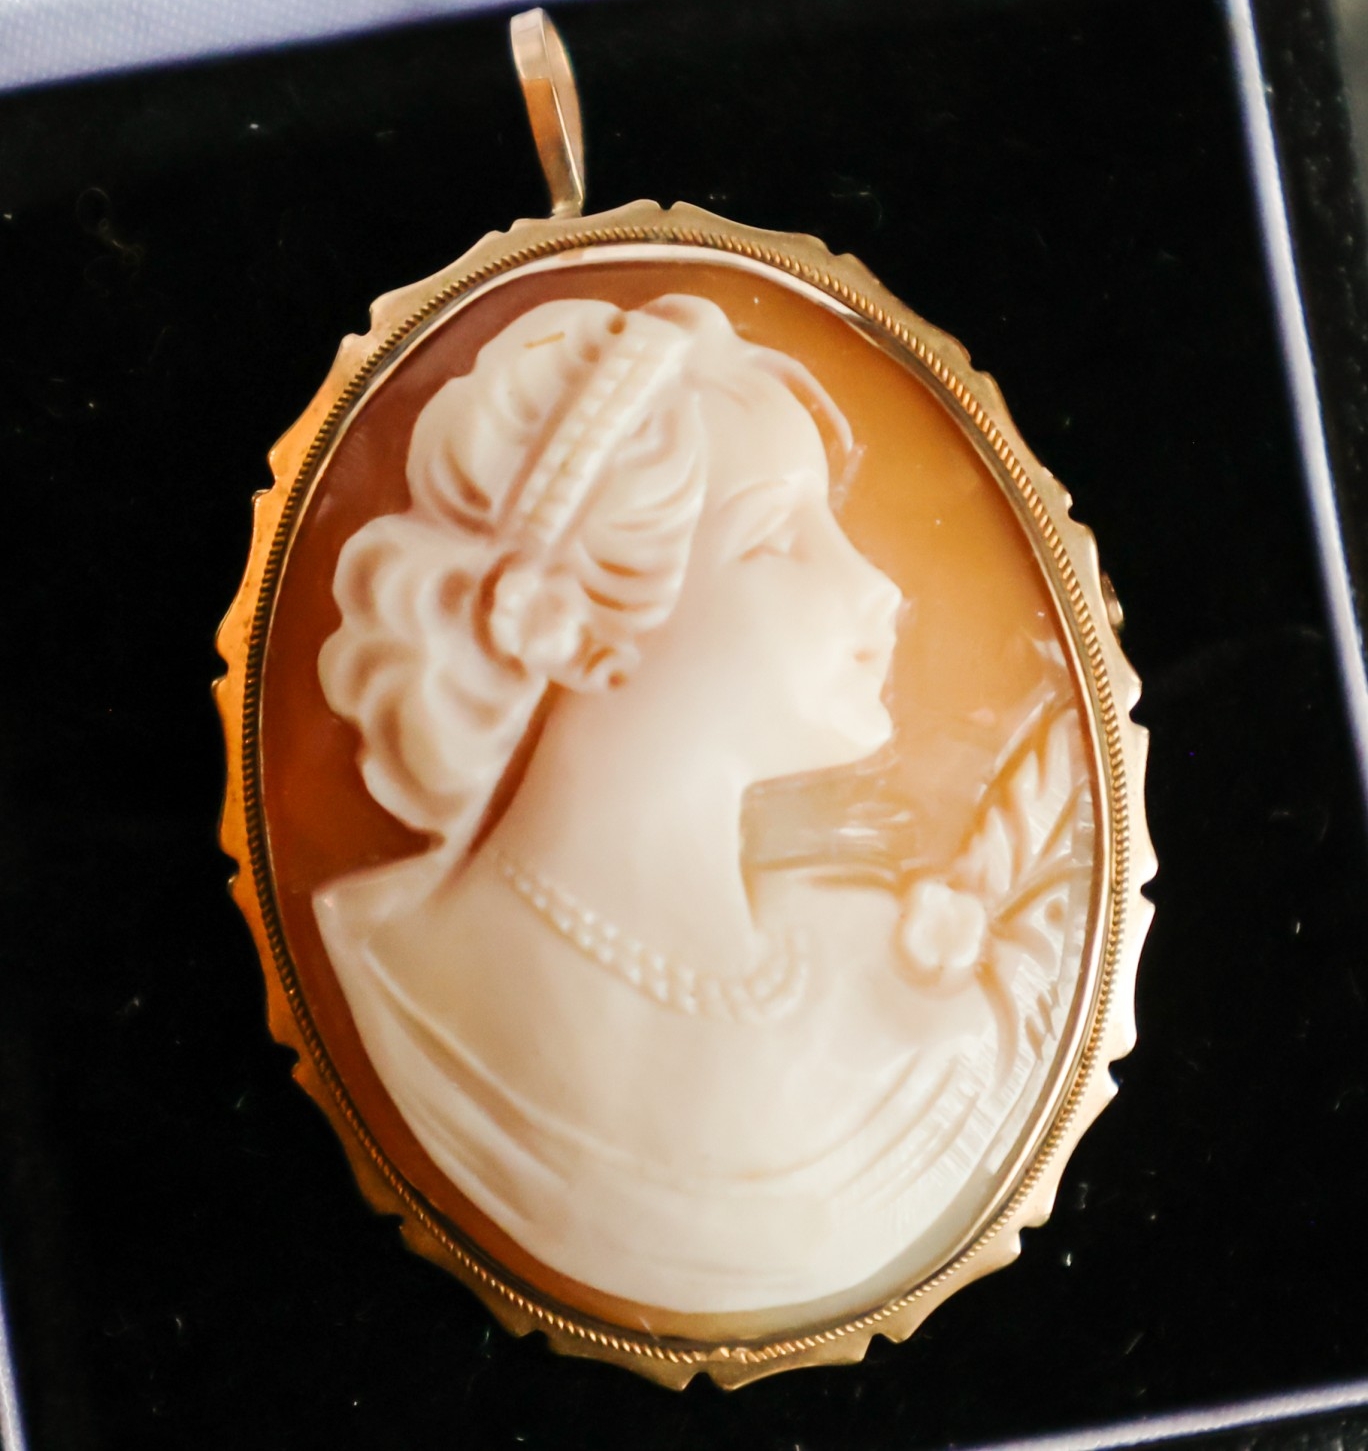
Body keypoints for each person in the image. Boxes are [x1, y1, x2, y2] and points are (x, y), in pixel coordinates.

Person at [313, 293, 1081, 1314]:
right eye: (776, 538)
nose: (877, 589)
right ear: (576, 629)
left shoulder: (882, 969)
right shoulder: (406, 989)